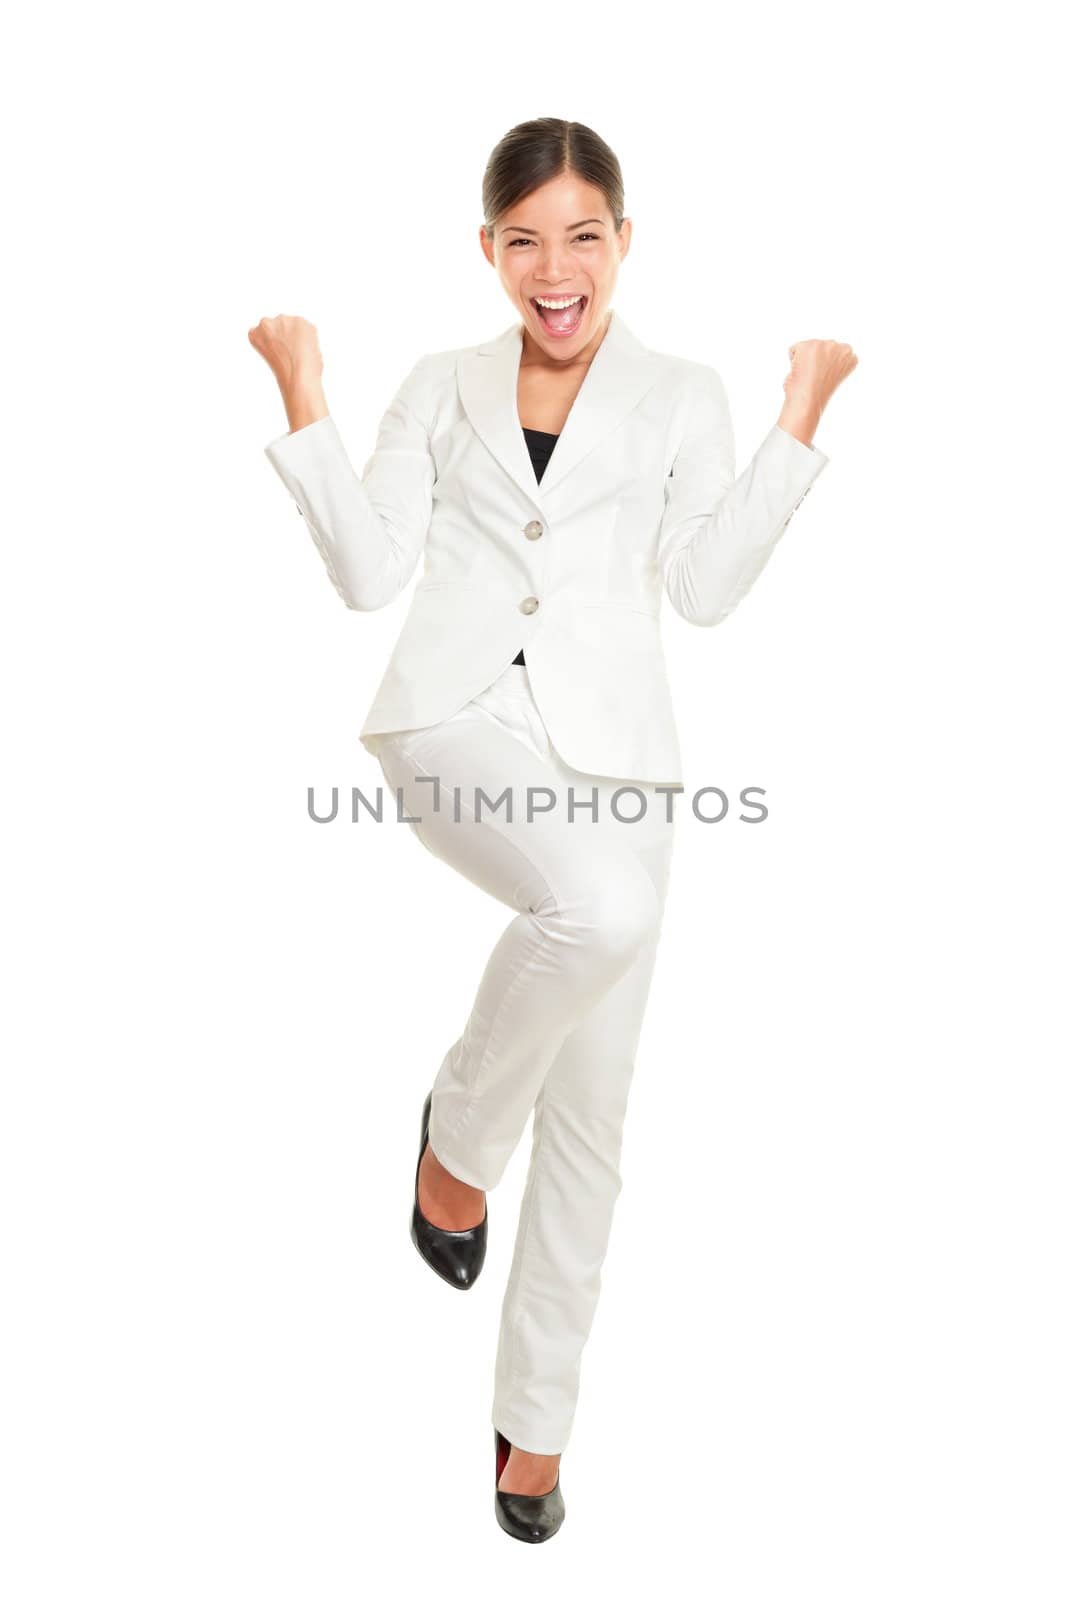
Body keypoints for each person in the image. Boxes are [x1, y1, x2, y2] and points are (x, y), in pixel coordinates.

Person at [249, 116, 857, 1543]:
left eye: (583, 235)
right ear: (489, 252)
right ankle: (457, 1138)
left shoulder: (680, 393)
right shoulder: (442, 384)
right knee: (605, 912)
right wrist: (303, 396)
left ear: (624, 242)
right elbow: (365, 571)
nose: (555, 268)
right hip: (454, 724)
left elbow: (703, 591)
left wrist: (797, 424)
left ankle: (536, 1433)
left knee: (590, 1127)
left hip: (624, 770)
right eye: (525, 240)